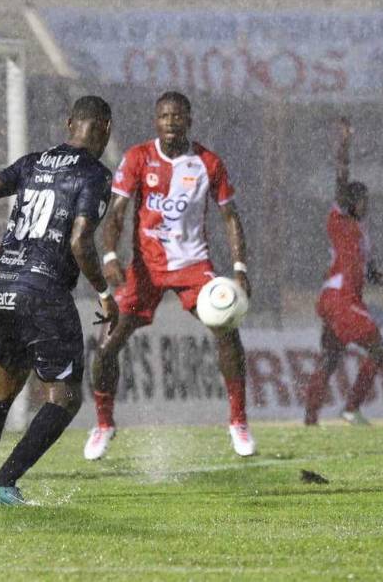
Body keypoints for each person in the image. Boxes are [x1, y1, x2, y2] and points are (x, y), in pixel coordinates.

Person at [0, 95, 116, 506]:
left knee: (4, 384)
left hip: (4, 283)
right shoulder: (94, 173)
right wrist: (105, 292)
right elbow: (79, 242)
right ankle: (3, 483)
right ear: (106, 129)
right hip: (44, 290)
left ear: (69, 123)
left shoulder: (32, 163)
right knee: (66, 396)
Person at [86, 91, 256, 460]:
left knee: (227, 331)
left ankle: (238, 422)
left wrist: (239, 268)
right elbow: (117, 213)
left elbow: (230, 217)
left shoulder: (208, 162)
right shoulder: (138, 157)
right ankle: (103, 424)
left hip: (193, 265)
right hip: (144, 269)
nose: (171, 122)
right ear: (156, 121)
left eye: (177, 116)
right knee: (106, 345)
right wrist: (111, 254)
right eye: (164, 116)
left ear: (189, 120)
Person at [302, 117, 383, 427]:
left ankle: (310, 420)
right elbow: (341, 176)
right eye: (363, 200)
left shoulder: (363, 234)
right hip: (341, 298)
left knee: (330, 358)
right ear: (351, 201)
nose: (366, 205)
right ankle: (351, 409)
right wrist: (344, 145)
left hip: (336, 297)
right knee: (378, 350)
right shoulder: (339, 219)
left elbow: (372, 273)